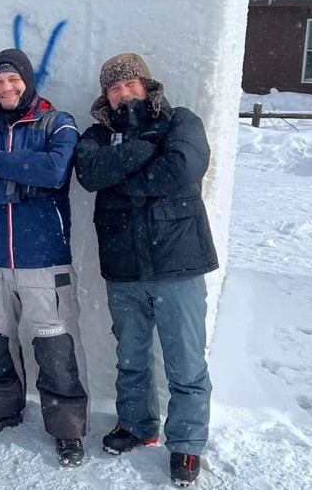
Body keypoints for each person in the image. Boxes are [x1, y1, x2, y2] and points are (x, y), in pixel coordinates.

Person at [74, 53, 218, 487]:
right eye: (114, 89)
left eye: (129, 84)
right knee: (131, 357)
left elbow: (182, 167)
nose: (122, 94)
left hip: (179, 262)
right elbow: (89, 171)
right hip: (124, 266)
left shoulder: (181, 121)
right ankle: (137, 426)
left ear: (146, 84)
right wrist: (141, 151)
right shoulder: (99, 134)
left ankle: (187, 445)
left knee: (185, 361)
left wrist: (122, 177)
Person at [0, 49, 89, 467]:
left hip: (44, 259)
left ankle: (67, 430)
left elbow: (54, 171)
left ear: (27, 80)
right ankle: (1, 410)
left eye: (13, 80)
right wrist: (16, 188)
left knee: (55, 346)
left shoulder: (57, 122)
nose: (6, 88)